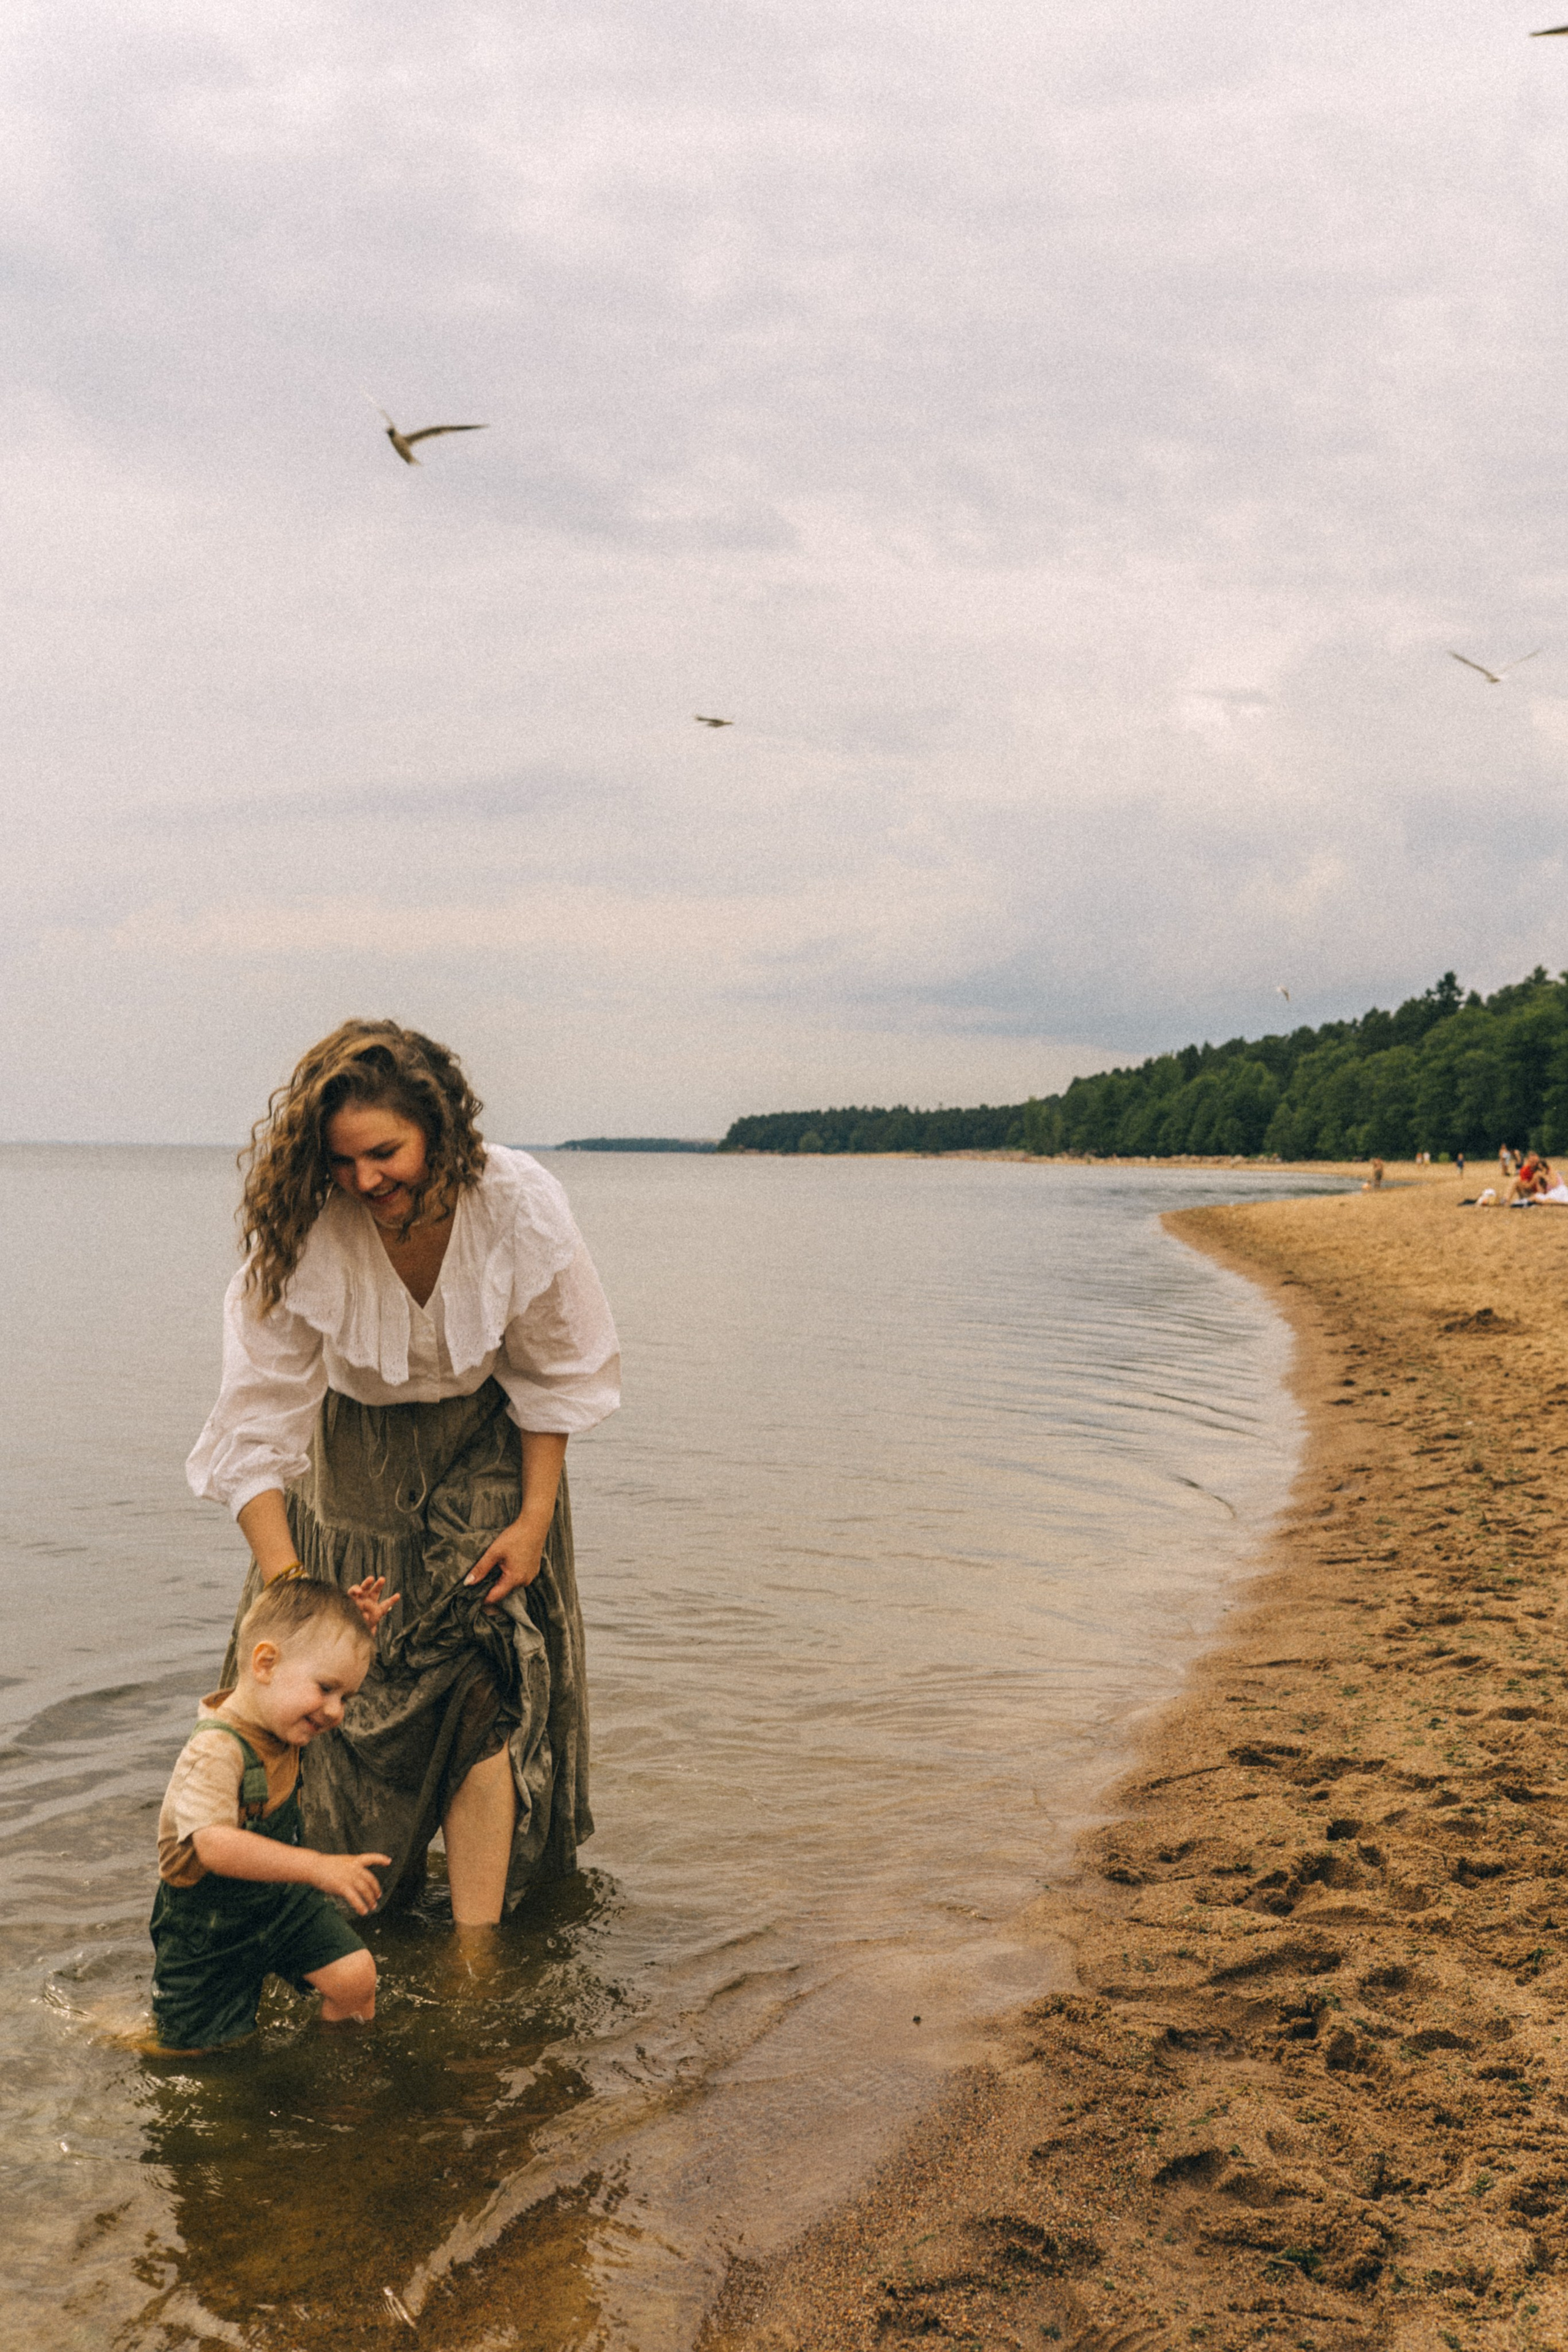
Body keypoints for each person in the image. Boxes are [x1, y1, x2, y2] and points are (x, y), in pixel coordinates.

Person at [186, 1020, 620, 1928]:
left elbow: (556, 1372)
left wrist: (535, 1518)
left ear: (442, 1128)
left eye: (385, 1153)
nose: (365, 1181)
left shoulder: (517, 1203)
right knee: (330, 1693)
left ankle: (476, 1956)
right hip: (347, 1463)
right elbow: (257, 1425)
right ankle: (325, 1917)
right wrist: (291, 1586)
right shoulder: (303, 1224)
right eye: (342, 1162)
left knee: (482, 1677)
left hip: (488, 1450)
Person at [151, 1577, 392, 2051]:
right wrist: (319, 1868)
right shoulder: (217, 1749)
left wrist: (352, 1632)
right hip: (206, 1931)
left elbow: (311, 1657)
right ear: (264, 1663)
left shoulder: (281, 1717)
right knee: (203, 2057)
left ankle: (332, 2074)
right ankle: (132, 2038)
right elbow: (215, 1845)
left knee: (355, 1978)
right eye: (326, 1688)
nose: (336, 1711)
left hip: (278, 1903)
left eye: (345, 1696)